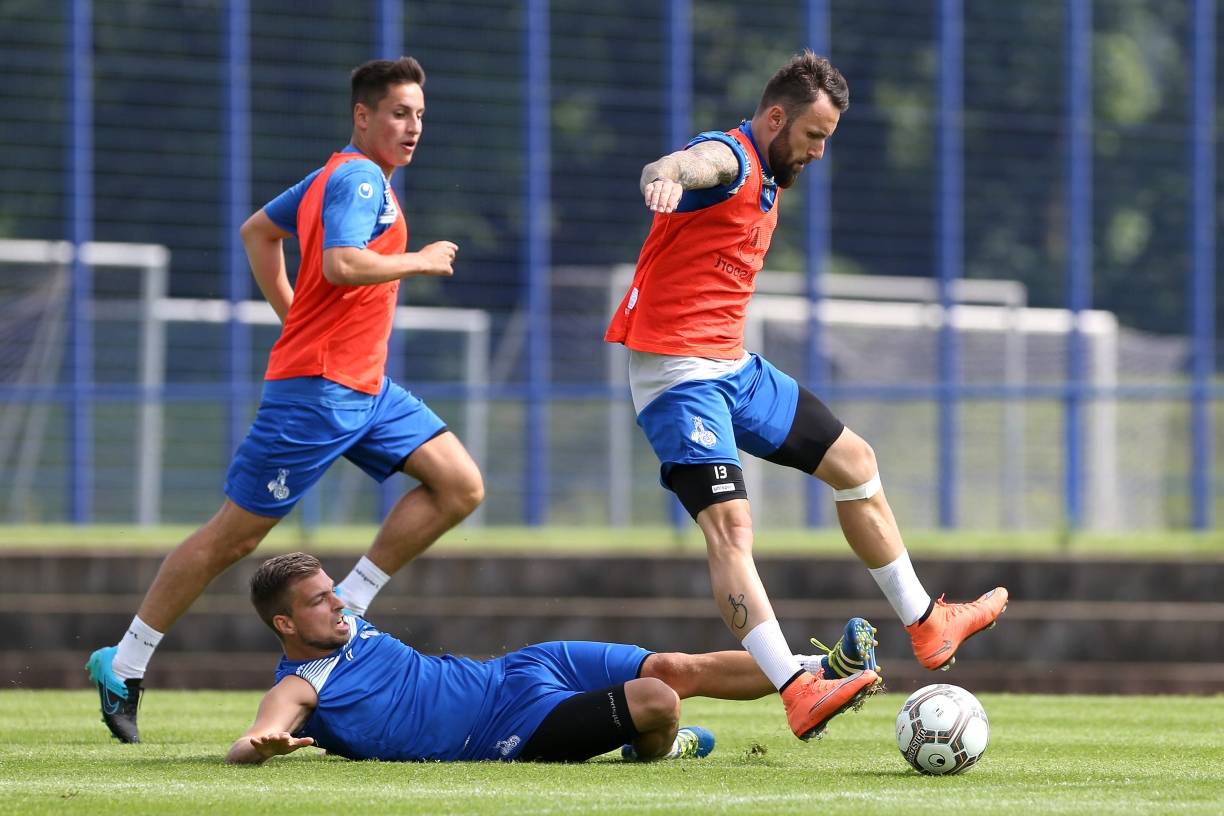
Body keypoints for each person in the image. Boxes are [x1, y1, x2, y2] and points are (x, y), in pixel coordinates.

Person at [604, 50, 1008, 741]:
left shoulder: (767, 176)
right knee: (730, 530)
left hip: (734, 370)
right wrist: (667, 175)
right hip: (678, 380)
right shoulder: (728, 159)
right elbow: (685, 164)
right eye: (814, 136)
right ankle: (797, 689)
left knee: (856, 463)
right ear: (774, 118)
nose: (819, 152)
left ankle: (926, 623)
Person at [87, 56, 485, 744]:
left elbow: (257, 232)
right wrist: (418, 261)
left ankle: (350, 607)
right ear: (362, 116)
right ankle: (123, 662)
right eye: (398, 112)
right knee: (233, 538)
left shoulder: (340, 174)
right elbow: (341, 262)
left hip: (366, 387)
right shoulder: (358, 178)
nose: (412, 126)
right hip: (318, 394)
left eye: (419, 114)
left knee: (459, 484)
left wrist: (295, 313)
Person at [225, 552, 881, 764]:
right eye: (317, 602)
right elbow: (254, 735)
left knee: (671, 668)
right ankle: (659, 743)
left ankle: (823, 672)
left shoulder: (344, 621)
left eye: (333, 590)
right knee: (660, 702)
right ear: (284, 624)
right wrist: (262, 745)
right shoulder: (305, 682)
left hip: (516, 669)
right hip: (505, 729)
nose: (338, 603)